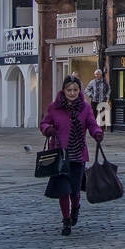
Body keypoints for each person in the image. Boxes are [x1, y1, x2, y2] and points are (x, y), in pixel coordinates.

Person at [39, 74, 103, 235]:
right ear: (64, 90)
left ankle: (75, 207)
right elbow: (44, 123)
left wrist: (97, 133)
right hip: (60, 154)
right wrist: (48, 129)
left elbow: (92, 124)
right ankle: (66, 220)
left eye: (75, 90)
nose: (72, 93)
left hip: (78, 154)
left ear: (79, 91)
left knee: (74, 190)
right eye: (69, 90)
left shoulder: (85, 108)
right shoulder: (55, 108)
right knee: (63, 190)